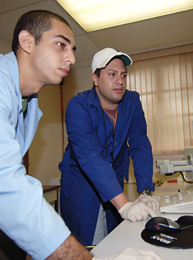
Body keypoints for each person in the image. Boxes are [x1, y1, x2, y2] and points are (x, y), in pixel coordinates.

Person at [0, 10, 175, 260]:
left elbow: (140, 144)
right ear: (27, 42)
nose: (72, 58)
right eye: (61, 44)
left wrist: (144, 191)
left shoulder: (27, 103)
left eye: (73, 49)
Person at [59, 48, 160, 246]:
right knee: (92, 247)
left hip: (112, 181)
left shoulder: (132, 101)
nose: (120, 80)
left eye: (123, 75)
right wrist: (124, 205)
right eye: (112, 74)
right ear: (95, 79)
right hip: (83, 185)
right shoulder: (78, 106)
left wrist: (145, 192)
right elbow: (90, 155)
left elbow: (139, 145)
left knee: (115, 240)